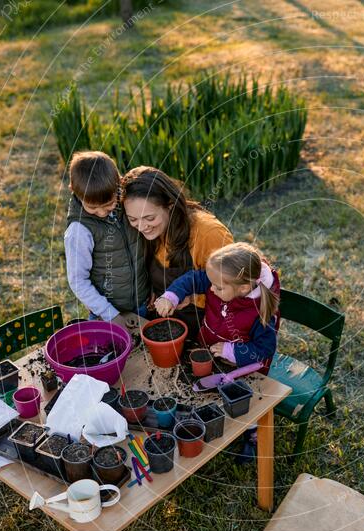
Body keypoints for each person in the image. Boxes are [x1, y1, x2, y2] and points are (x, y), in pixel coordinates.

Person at [120, 166, 233, 337]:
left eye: (150, 218)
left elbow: (234, 283)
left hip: (207, 329)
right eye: (133, 219)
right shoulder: (151, 231)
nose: (142, 227)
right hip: (165, 323)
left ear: (170, 206)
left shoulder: (209, 233)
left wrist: (190, 297)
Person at [154, 242, 281, 374]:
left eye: (218, 288)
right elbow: (193, 279)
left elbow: (265, 349)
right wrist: (172, 296)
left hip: (240, 370)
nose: (211, 288)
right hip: (208, 351)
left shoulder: (262, 312)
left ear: (244, 288)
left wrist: (232, 352)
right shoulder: (221, 280)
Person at [64, 151, 149, 329]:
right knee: (110, 353)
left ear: (118, 183)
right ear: (74, 190)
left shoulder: (126, 203)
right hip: (105, 313)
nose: (103, 212)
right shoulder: (79, 231)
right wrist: (110, 314)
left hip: (141, 303)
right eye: (93, 207)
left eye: (109, 204)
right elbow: (78, 281)